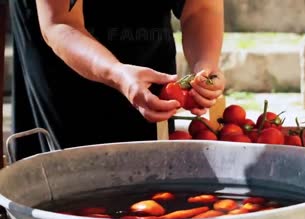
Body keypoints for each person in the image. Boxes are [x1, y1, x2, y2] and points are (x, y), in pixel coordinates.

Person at [9, 0, 225, 160]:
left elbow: (201, 8)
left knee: (149, 162)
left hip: (146, 44)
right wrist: (118, 73)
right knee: (68, 171)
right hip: (62, 56)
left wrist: (204, 66)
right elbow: (60, 24)